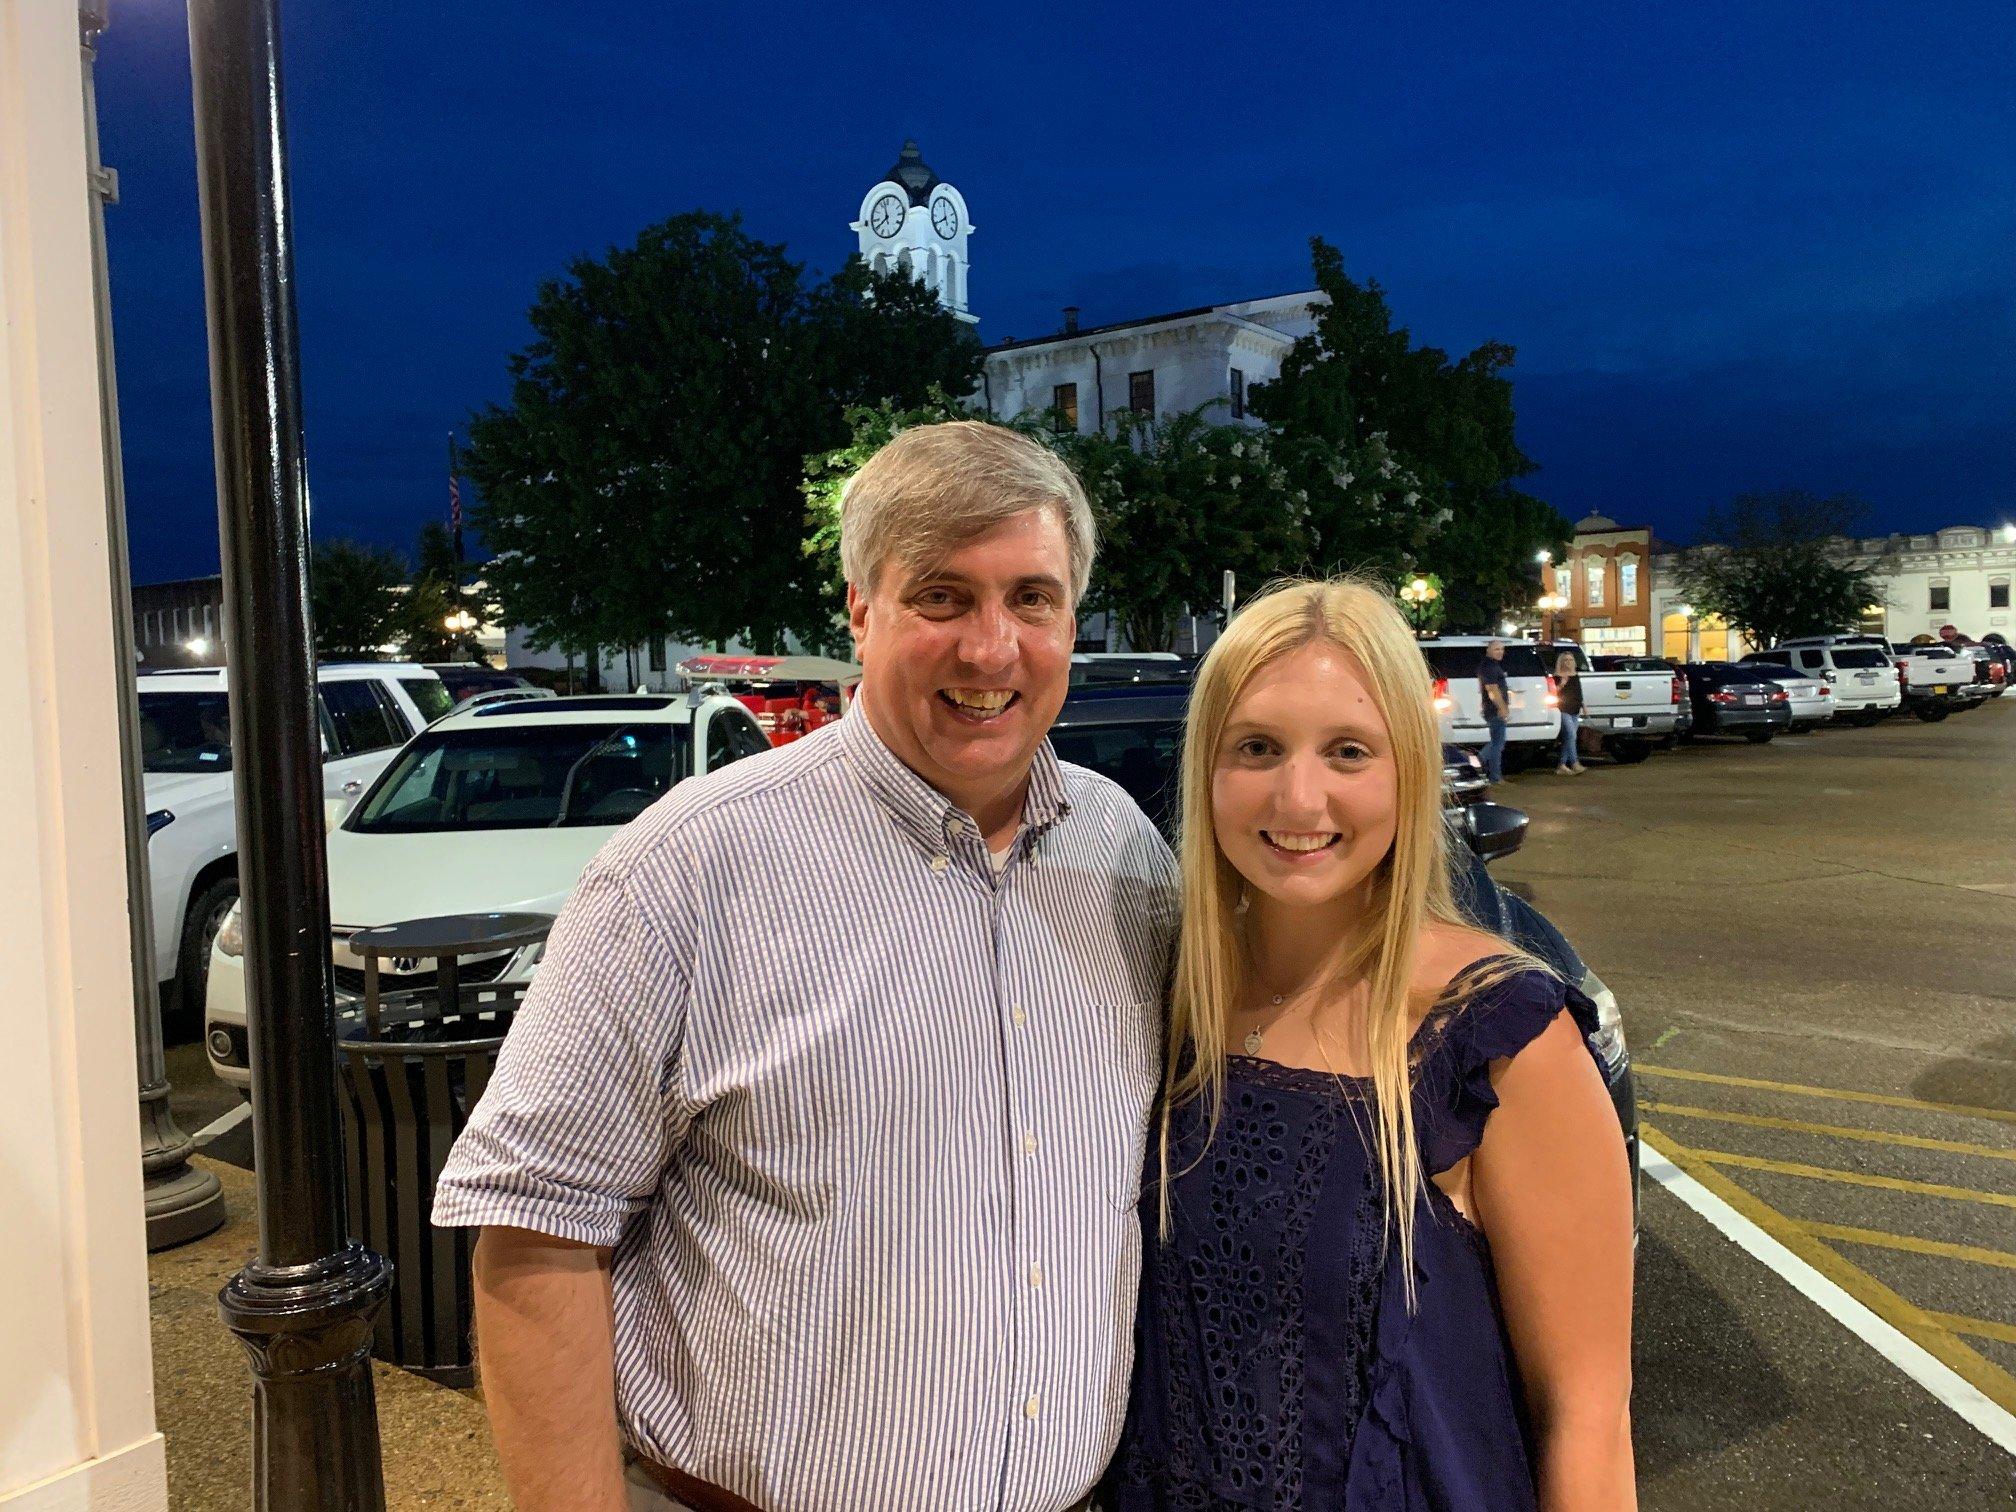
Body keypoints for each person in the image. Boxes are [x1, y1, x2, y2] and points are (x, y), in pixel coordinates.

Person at [433, 421, 1179, 1512]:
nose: (991, 650)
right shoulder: (688, 868)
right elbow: (537, 1224)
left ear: (1072, 618)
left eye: (1032, 598)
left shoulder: (1124, 855)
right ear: (861, 611)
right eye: (941, 597)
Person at [1104, 579, 1635, 1511]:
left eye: (1348, 751)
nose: (1298, 796)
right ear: (1208, 769)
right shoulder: (1174, 998)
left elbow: (1587, 1416)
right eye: (1257, 748)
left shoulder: (1497, 1035)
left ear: (1408, 774)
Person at [1478, 637, 1511, 782]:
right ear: (1488, 650)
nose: (1500, 652)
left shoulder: (1491, 666)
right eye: (1497, 649)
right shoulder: (1489, 666)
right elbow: (1492, 689)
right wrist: (1502, 707)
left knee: (1497, 743)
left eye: (1502, 649)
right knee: (1497, 744)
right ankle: (1480, 765)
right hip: (1494, 710)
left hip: (1492, 709)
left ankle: (1494, 776)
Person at [1553, 649, 1585, 774]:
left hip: (1575, 709)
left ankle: (1562, 765)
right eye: (1566, 660)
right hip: (1563, 709)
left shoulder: (1575, 676)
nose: (1569, 662)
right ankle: (1574, 763)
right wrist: (1561, 684)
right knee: (1571, 735)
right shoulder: (1557, 676)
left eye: (1571, 660)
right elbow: (1553, 692)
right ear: (1561, 662)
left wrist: (1583, 705)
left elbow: (1578, 692)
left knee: (1569, 737)